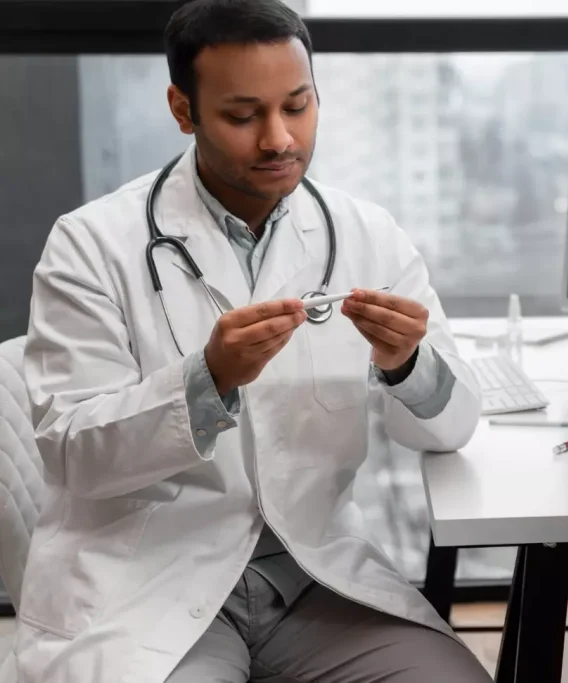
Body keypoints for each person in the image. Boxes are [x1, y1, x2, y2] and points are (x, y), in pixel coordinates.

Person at [16, 1, 491, 681]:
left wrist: (407, 362)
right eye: (243, 116)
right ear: (183, 110)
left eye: (297, 106)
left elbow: (452, 428)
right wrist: (206, 379)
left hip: (316, 581)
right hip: (154, 587)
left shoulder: (367, 235)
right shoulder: (91, 244)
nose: (278, 139)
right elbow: (70, 451)